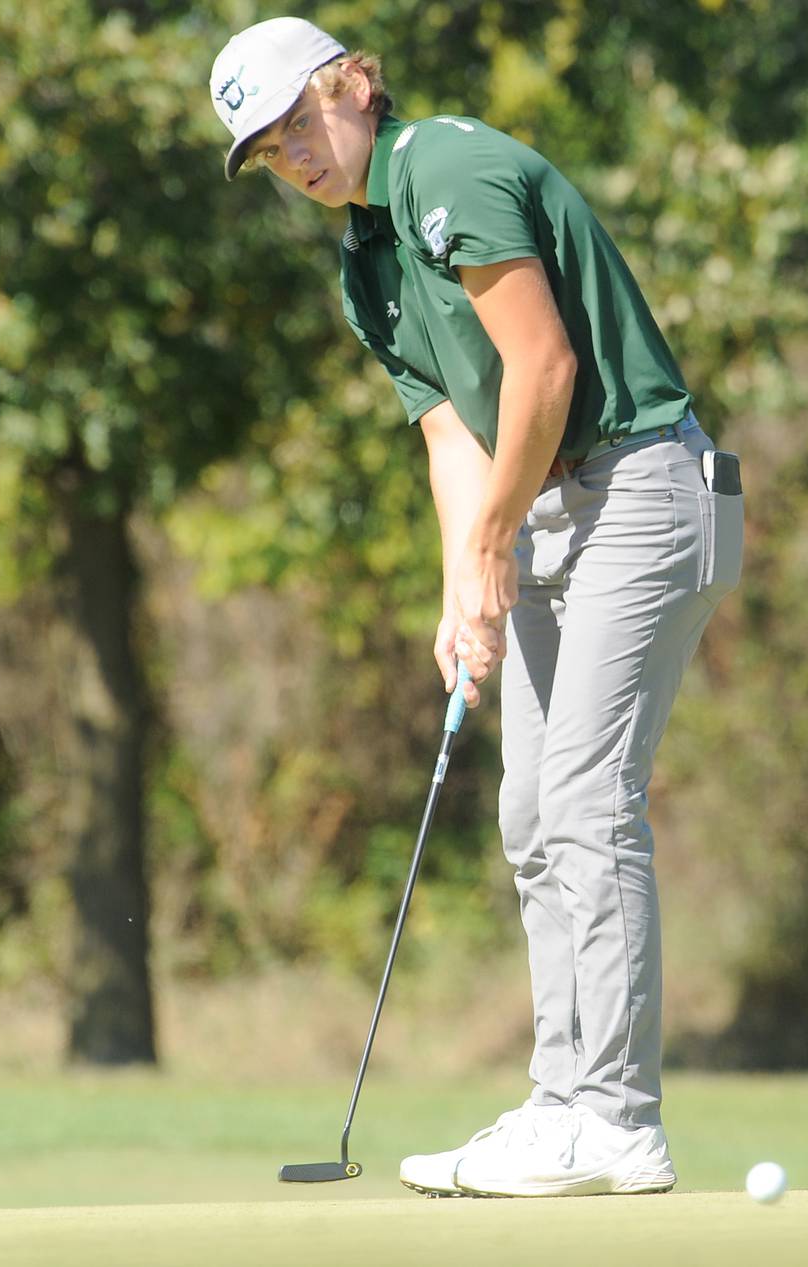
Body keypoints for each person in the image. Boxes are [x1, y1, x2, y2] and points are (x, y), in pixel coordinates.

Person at [209, 18, 742, 1198]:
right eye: (266, 150)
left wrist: (497, 536)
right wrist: (467, 583)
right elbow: (455, 431)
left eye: (301, 119)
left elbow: (544, 370)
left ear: (355, 82)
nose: (294, 154)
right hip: (553, 508)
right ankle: (563, 1103)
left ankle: (615, 1119)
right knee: (528, 812)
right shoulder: (364, 262)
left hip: (644, 485)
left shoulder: (441, 169)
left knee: (588, 802)